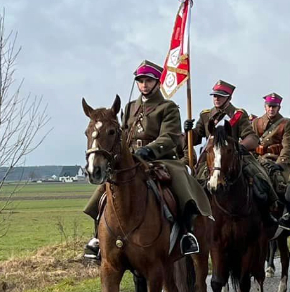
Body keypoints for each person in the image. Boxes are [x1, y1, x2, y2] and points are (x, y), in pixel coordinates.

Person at [82, 61, 211, 260]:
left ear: (157, 82)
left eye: (148, 81)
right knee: (106, 188)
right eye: (141, 81)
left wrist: (148, 151)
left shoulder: (167, 107)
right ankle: (99, 237)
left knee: (180, 181)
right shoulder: (130, 107)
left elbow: (169, 137)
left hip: (162, 159)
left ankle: (187, 233)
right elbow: (122, 135)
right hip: (131, 159)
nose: (144, 85)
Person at [188, 80, 283, 224]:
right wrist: (188, 130)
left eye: (220, 96)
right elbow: (194, 138)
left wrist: (239, 147)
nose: (216, 98)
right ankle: (193, 220)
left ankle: (272, 209)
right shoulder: (206, 115)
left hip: (235, 156)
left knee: (259, 175)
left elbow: (251, 137)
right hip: (212, 158)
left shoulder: (238, 114)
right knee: (194, 183)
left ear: (229, 98)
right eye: (214, 95)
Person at [252, 92, 290, 196]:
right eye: (269, 106)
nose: (271, 109)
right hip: (260, 159)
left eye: (274, 106)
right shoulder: (256, 122)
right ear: (265, 107)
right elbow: (253, 143)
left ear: (279, 108)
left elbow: (287, 146)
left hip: (278, 159)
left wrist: (279, 164)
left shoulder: (286, 123)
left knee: (288, 186)